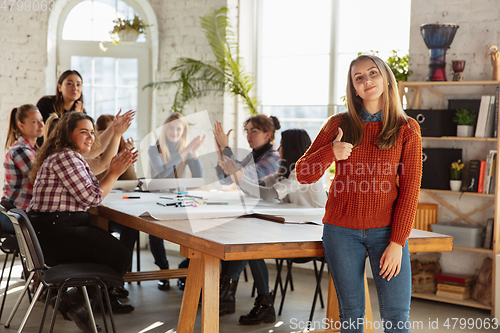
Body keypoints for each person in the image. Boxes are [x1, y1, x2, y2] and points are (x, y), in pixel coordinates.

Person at [295, 54, 422, 333]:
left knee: (397, 319)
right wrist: (331, 152)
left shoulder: (407, 129)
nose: (367, 81)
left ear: (386, 78)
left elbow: (410, 191)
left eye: (373, 73)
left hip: (387, 234)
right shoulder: (337, 125)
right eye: (359, 77)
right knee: (351, 317)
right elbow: (303, 173)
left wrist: (397, 242)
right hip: (340, 232)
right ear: (353, 88)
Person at [27, 112, 138, 333]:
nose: (90, 136)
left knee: (114, 253)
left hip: (55, 230)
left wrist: (114, 157)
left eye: (92, 132)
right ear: (68, 135)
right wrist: (114, 174)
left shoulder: (68, 156)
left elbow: (100, 169)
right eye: (83, 132)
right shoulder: (66, 158)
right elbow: (92, 197)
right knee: (120, 257)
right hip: (57, 234)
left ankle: (73, 303)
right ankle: (74, 303)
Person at [220, 128, 327, 324]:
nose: (278, 149)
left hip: (314, 236)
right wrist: (238, 177)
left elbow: (270, 194)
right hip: (294, 229)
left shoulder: (307, 171)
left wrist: (240, 178)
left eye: (282, 145)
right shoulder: (285, 171)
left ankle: (226, 286)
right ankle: (253, 299)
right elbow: (259, 188)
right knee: (252, 241)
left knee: (253, 241)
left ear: (292, 148)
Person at [213, 114, 281, 316]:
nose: (249, 135)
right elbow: (226, 180)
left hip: (273, 218)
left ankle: (225, 288)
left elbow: (247, 176)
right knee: (238, 239)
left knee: (248, 244)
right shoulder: (253, 155)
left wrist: (226, 150)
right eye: (247, 131)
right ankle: (228, 292)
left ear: (268, 134)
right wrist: (221, 150)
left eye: (254, 131)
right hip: (254, 214)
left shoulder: (273, 158)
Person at [147, 112, 205, 290]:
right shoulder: (154, 149)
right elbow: (163, 173)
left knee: (195, 230)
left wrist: (193, 153)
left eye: (179, 129)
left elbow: (199, 177)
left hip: (181, 199)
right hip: (158, 198)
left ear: (184, 131)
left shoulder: (185, 150)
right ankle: (163, 270)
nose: (174, 132)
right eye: (171, 128)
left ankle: (185, 269)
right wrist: (185, 152)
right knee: (155, 233)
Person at [36, 69, 134, 159]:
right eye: (69, 84)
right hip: (47, 152)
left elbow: (91, 147)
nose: (74, 88)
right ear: (59, 87)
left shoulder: (82, 111)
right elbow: (52, 134)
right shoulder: (46, 103)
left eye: (78, 84)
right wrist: (75, 116)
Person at [1, 104, 44, 233]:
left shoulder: (35, 149)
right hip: (17, 215)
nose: (41, 125)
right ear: (21, 125)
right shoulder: (20, 150)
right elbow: (41, 177)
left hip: (25, 213)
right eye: (35, 122)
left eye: (41, 120)